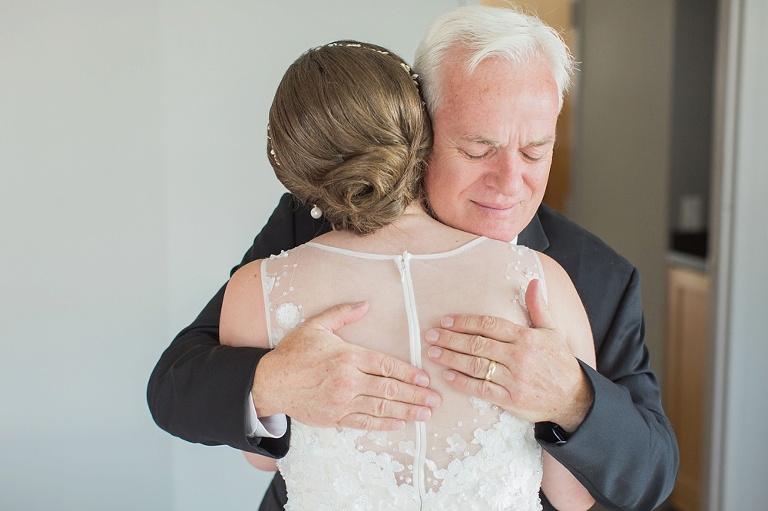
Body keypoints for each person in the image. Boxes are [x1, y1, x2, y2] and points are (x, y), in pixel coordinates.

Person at [147, 5, 678, 511]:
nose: (510, 184)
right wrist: (271, 382)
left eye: (536, 151)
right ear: (421, 126)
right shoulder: (314, 216)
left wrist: (575, 402)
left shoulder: (596, 275)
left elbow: (650, 475)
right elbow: (175, 385)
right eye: (477, 149)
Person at [219, 40, 595, 510]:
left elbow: (264, 459)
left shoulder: (259, 289)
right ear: (424, 133)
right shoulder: (543, 281)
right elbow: (571, 498)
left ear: (293, 165)